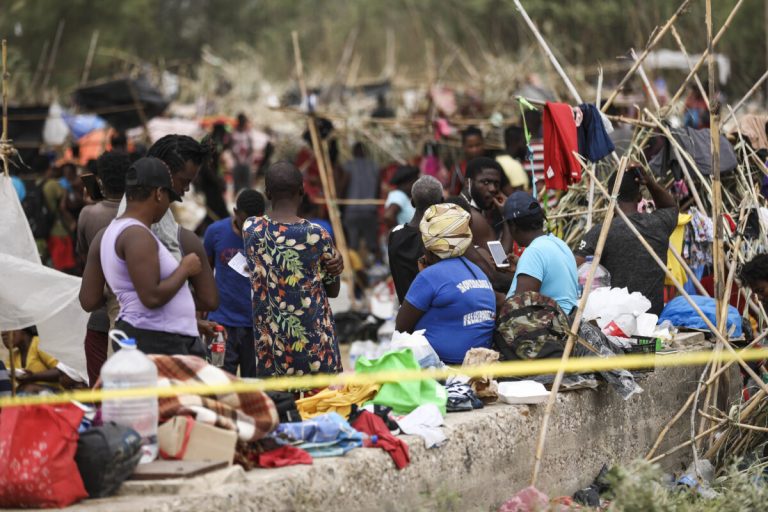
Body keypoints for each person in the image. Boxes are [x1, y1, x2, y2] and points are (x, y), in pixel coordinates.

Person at [80, 157, 203, 355]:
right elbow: (151, 297)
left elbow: (88, 300)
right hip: (155, 339)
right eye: (169, 198)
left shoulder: (111, 232)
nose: (168, 206)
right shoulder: (137, 235)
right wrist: (184, 269)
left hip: (146, 333)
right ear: (159, 194)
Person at [243, 161, 344, 377]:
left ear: (267, 193)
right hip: (316, 348)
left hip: (272, 353)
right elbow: (333, 290)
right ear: (302, 191)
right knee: (320, 399)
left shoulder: (251, 229)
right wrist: (336, 260)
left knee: (278, 400)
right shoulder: (317, 234)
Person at [395, 203, 496, 364]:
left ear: (427, 244)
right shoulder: (478, 272)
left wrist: (423, 276)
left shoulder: (430, 276)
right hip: (478, 368)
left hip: (442, 370)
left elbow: (401, 328)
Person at [575, 167, 678, 315]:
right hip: (652, 318)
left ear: (610, 199)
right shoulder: (659, 223)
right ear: (640, 197)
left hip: (613, 320)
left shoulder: (601, 232)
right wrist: (649, 182)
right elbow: (671, 207)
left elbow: (575, 269)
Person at [76, 151, 129, 384]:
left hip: (100, 311)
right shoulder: (140, 214)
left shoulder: (88, 214)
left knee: (100, 391)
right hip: (132, 316)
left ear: (99, 181)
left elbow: (84, 259)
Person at [118, 134, 211, 263]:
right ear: (164, 171)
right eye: (184, 181)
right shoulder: (141, 221)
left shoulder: (159, 209)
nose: (186, 189)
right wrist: (185, 269)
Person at [204, 190, 266, 377]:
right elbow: (204, 274)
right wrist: (202, 316)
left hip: (257, 328)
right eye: (245, 221)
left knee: (254, 386)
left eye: (255, 222)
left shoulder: (269, 237)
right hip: (222, 325)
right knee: (219, 381)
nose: (250, 227)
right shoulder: (215, 232)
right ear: (236, 212)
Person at [504, 192, 579, 315]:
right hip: (567, 321)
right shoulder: (559, 244)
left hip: (552, 325)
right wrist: (521, 266)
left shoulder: (533, 252)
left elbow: (520, 311)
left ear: (512, 225)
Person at [388, 175, 444, 303]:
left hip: (406, 309)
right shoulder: (443, 238)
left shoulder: (395, 236)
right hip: (435, 309)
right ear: (442, 201)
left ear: (412, 202)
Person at [461, 157, 510, 249]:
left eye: (496, 183)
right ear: (468, 182)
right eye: (486, 182)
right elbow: (500, 256)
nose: (493, 189)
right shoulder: (473, 216)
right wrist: (507, 216)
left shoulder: (469, 205)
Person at [343, 142, 381, 260]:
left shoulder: (348, 166)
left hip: (352, 209)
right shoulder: (374, 166)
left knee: (353, 244)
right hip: (369, 209)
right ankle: (373, 264)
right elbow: (378, 187)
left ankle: (355, 266)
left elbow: (343, 185)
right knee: (371, 243)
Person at [43, 160, 77, 272]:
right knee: (64, 267)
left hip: (49, 229)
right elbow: (63, 206)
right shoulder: (57, 185)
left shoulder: (43, 184)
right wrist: (71, 221)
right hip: (60, 231)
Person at [3, 327, 61, 393]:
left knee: (28, 388)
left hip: (58, 395)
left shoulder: (39, 343)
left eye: (7, 327)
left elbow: (61, 372)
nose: (2, 333)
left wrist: (32, 377)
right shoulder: (13, 356)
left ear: (23, 328)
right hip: (30, 393)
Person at [450, 126, 486, 194]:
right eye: (470, 146)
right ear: (464, 147)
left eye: (478, 145)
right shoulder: (458, 170)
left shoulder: (492, 166)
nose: (475, 150)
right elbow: (453, 195)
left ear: (483, 144)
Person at [231, 113, 254, 193]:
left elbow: (251, 148)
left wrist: (246, 158)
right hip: (237, 163)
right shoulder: (234, 133)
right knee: (237, 186)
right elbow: (231, 148)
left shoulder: (248, 134)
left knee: (247, 185)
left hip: (246, 163)